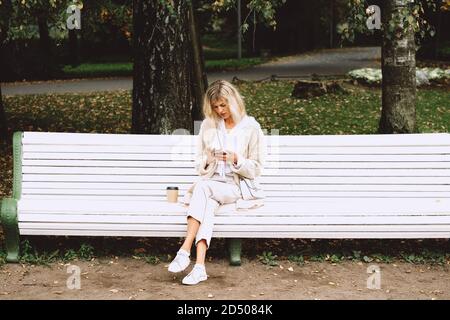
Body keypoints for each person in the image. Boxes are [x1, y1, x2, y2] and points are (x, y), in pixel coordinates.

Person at [168, 79, 266, 285]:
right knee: (207, 207)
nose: (220, 110)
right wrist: (210, 159)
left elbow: (256, 167)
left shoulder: (251, 127)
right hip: (212, 184)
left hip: (234, 186)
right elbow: (199, 163)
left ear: (234, 101)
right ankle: (199, 267)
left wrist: (236, 159)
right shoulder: (208, 125)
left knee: (203, 188)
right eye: (215, 107)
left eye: (223, 105)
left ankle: (185, 249)